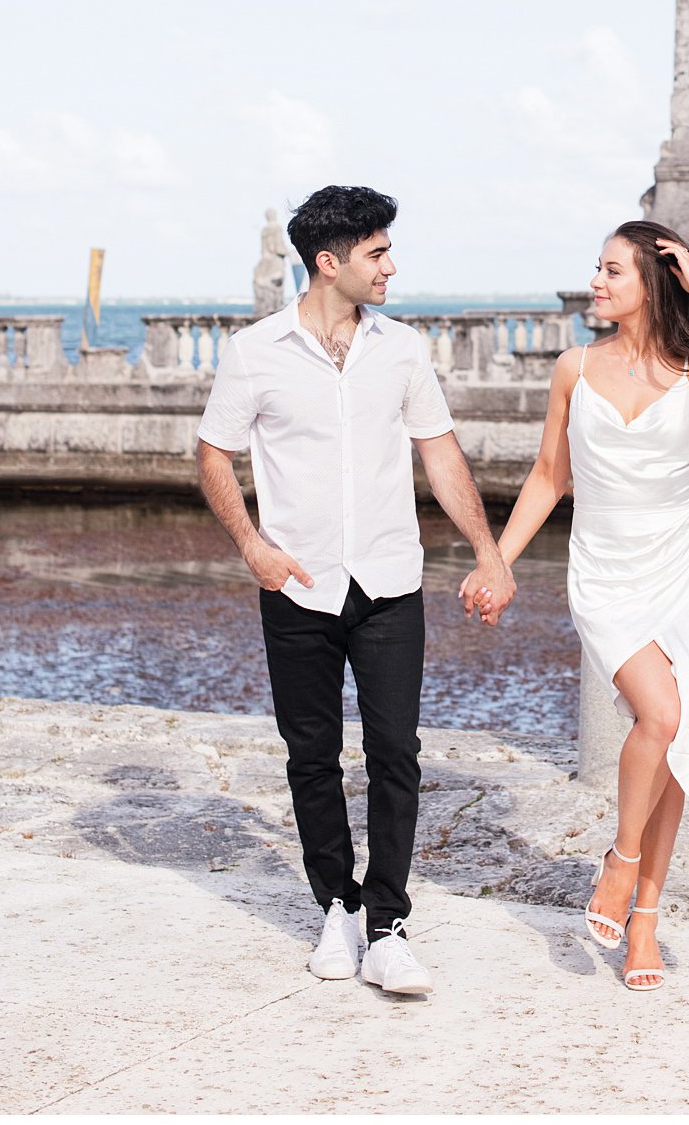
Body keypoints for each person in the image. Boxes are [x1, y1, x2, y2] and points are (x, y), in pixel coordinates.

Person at [197, 184, 514, 997]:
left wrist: (489, 553)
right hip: (295, 584)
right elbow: (212, 456)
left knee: (396, 754)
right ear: (328, 262)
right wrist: (251, 546)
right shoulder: (255, 351)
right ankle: (335, 906)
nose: (390, 267)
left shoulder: (402, 350)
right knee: (311, 756)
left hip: (388, 580)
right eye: (377, 253)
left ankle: (389, 925)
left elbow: (441, 454)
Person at [464, 219, 689, 991]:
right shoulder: (574, 367)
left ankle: (643, 920)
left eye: (613, 272)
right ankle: (623, 856)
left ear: (651, 284)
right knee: (662, 717)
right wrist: (496, 561)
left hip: (680, 568)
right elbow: (548, 476)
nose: (597, 283)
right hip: (606, 575)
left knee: (675, 735)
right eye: (596, 270)